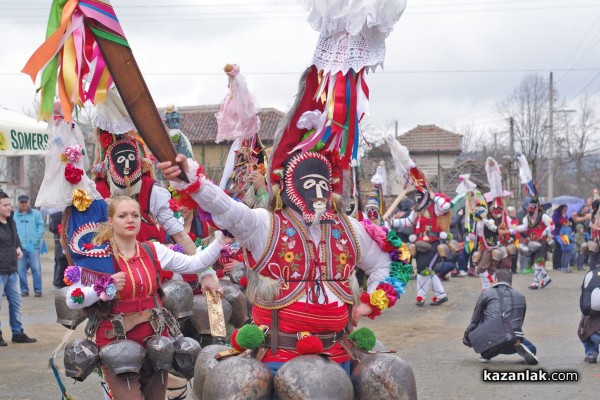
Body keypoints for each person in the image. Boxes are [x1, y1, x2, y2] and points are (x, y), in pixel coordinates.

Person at [158, 150, 402, 375]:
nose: (316, 191)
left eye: (321, 184)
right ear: (289, 187)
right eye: (308, 184)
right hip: (278, 358)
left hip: (340, 355)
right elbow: (229, 210)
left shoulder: (351, 228)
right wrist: (194, 182)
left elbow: (387, 264)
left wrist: (367, 304)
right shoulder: (265, 224)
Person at [64, 196, 225, 399]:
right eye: (123, 216)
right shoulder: (98, 256)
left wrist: (221, 241)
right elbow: (73, 299)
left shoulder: (152, 250)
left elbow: (195, 263)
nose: (130, 220)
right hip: (116, 341)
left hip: (156, 340)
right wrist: (102, 287)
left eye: (135, 215)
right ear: (111, 221)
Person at [463, 269, 538, 365]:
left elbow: (475, 321)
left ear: (496, 279)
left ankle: (487, 354)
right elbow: (520, 321)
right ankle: (520, 347)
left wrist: (467, 339)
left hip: (493, 336)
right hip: (514, 336)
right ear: (510, 282)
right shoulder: (521, 296)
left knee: (486, 325)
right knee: (532, 349)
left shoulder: (486, 293)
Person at [0, 190, 37, 346]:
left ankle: (17, 333)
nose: (9, 208)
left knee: (16, 303)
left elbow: (16, 238)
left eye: (9, 204)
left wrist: (18, 247)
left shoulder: (11, 221)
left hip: (12, 270)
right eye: (5, 205)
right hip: (0, 271)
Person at [14, 194, 46, 297]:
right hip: (20, 247)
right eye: (21, 202)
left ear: (28, 202)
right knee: (20, 269)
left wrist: (36, 238)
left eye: (25, 202)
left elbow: (41, 226)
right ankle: (24, 290)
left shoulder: (36, 214)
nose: (23, 204)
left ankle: (38, 290)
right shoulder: (14, 215)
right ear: (18, 203)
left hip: (33, 246)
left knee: (36, 269)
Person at [578, 268, 600, 363]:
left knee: (584, 320)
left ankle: (591, 352)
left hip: (594, 332)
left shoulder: (591, 274)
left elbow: (584, 303)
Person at [49, 210, 68, 290]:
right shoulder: (56, 215)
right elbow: (52, 228)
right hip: (59, 241)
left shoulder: (72, 213)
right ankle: (57, 283)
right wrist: (60, 228)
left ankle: (65, 281)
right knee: (59, 262)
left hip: (69, 241)